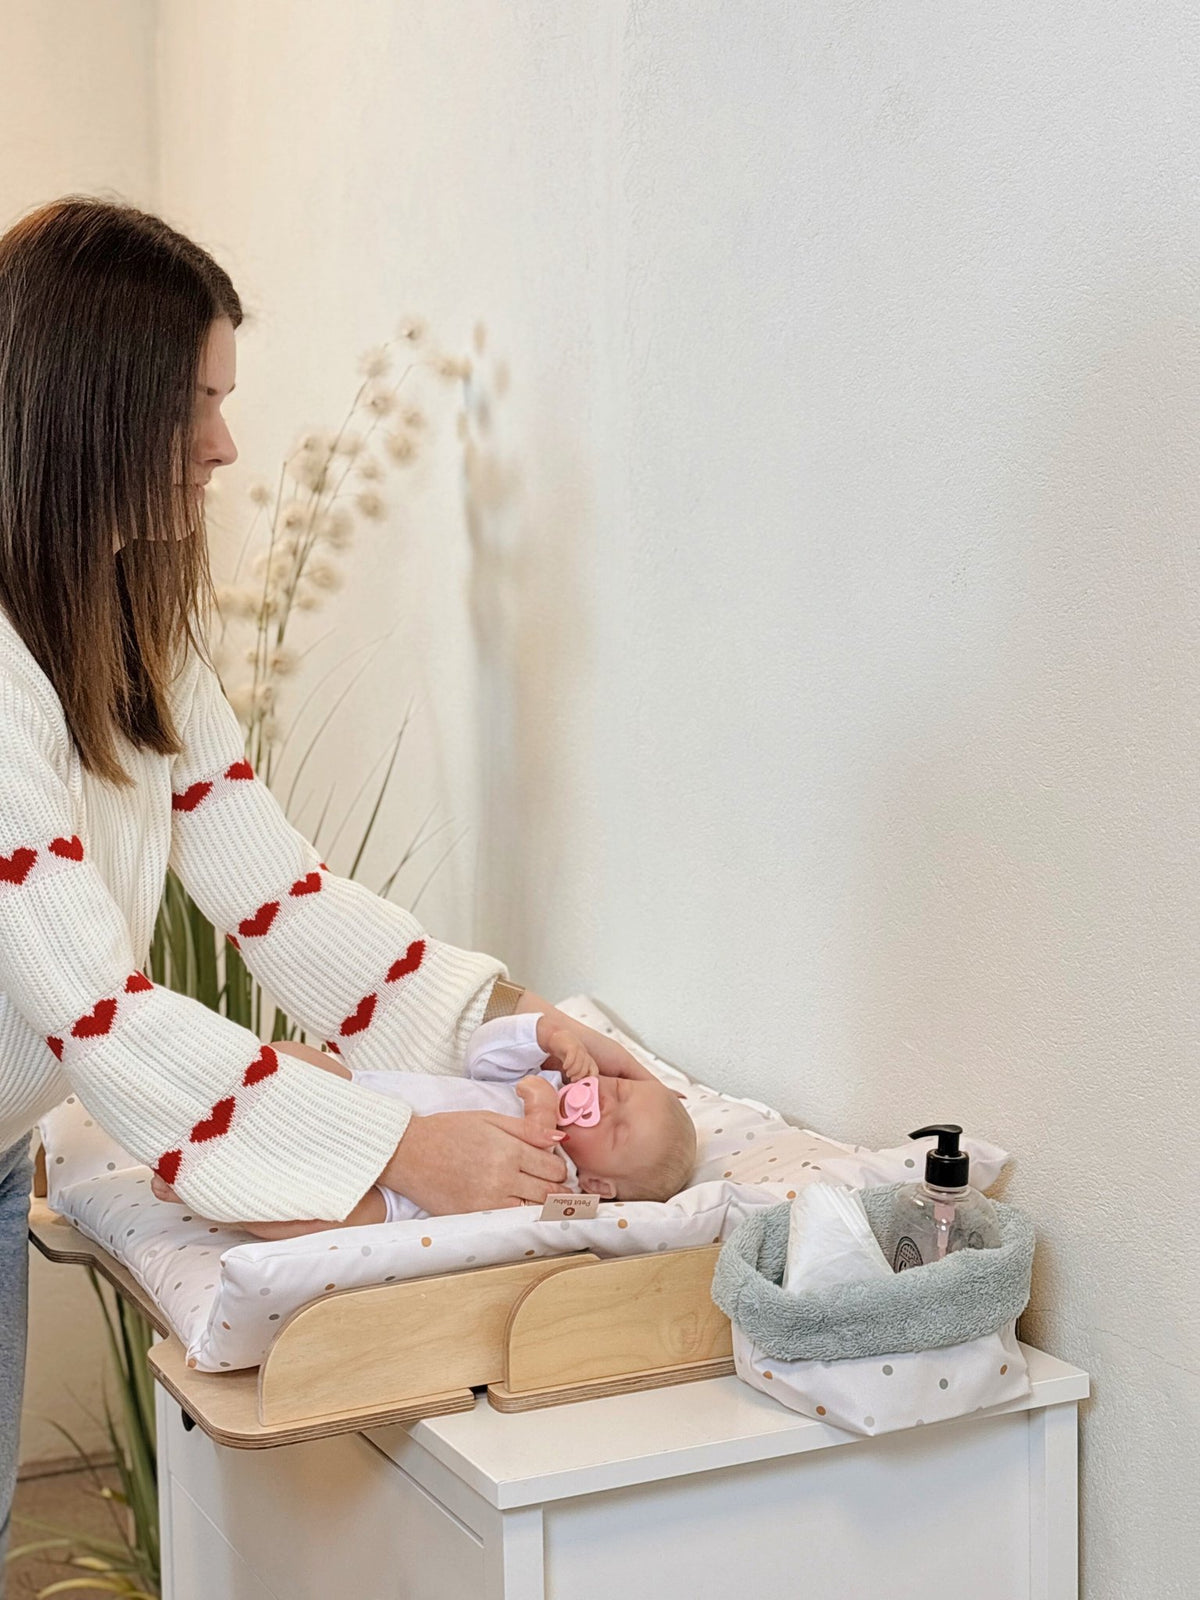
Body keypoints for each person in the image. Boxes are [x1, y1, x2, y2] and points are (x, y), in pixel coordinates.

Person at [0, 195, 643, 1582]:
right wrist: (403, 1149)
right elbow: (94, 1009)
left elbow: (278, 890)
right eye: (192, 407)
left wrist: (512, 1020)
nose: (226, 446)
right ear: (83, 406)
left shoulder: (128, 633)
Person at [150, 1011, 698, 1236]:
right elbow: (484, 1053)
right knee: (290, 1057)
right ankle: (204, 1113)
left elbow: (545, 1224)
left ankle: (205, 1192)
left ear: (604, 1186)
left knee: (318, 1215)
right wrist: (548, 1036)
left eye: (618, 1130)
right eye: (622, 1090)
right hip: (366, 1098)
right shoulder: (542, 1077)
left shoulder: (564, 1187)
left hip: (400, 1196)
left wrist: (538, 1116)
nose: (606, 1100)